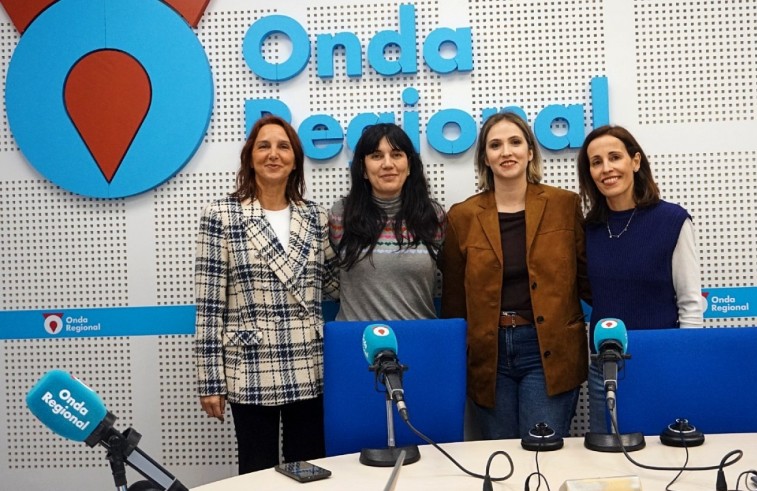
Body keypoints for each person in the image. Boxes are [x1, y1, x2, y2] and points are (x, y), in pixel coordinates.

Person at [193, 114, 339, 474]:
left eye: (283, 146)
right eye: (264, 146)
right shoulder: (222, 215)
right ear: (249, 157)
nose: (273, 154)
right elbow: (210, 306)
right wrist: (210, 381)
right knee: (257, 470)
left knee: (310, 468)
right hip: (251, 362)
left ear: (295, 159)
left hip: (309, 359)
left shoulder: (316, 217)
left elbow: (335, 282)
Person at [440, 112, 590, 440]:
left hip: (547, 348)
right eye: (495, 145)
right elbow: (453, 303)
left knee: (542, 456)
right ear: (485, 158)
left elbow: (587, 281)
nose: (506, 152)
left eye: (515, 142)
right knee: (503, 458)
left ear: (531, 152)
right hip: (488, 356)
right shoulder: (462, 217)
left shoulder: (564, 205)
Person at [577, 124, 706, 434]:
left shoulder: (672, 220)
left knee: (665, 456)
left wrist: (684, 359)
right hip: (603, 367)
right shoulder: (588, 229)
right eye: (596, 162)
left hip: (660, 360)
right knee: (606, 461)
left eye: (614, 157)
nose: (606, 169)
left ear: (635, 162)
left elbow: (690, 301)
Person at [329, 123, 445, 321]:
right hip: (358, 342)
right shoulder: (341, 215)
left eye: (396, 154)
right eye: (376, 156)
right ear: (363, 170)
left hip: (419, 339)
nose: (388, 164)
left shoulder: (432, 216)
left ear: (409, 166)